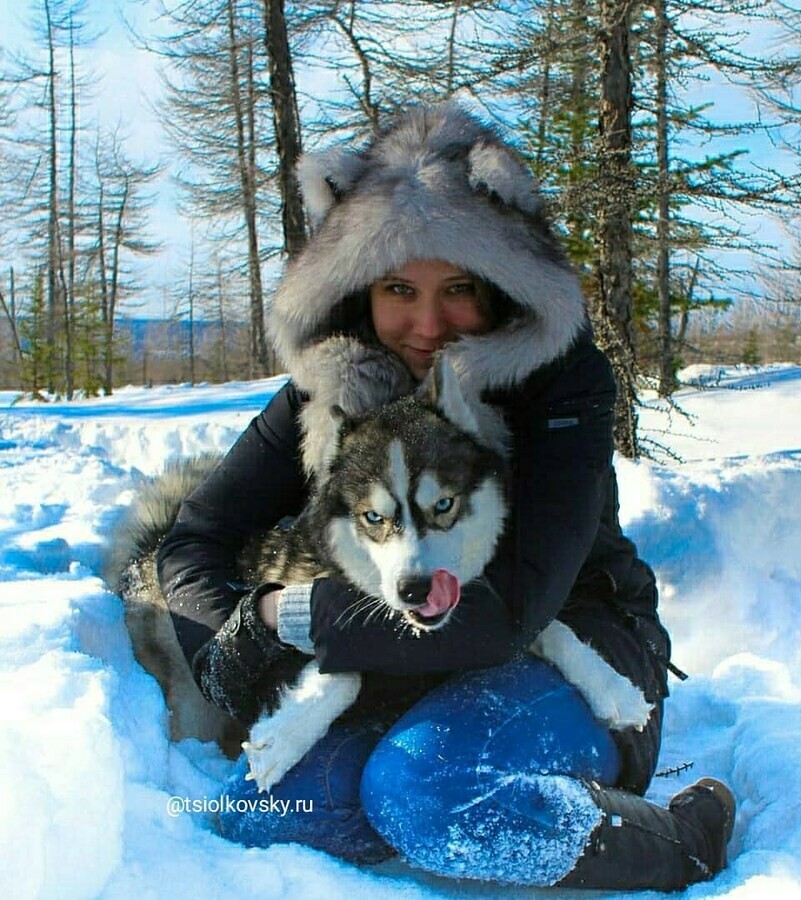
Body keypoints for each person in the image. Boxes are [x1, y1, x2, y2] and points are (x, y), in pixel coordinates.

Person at [157, 101, 735, 890]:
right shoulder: (328, 391)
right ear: (360, 287)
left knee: (425, 792)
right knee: (265, 813)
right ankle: (444, 769)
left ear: (500, 285)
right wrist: (233, 652)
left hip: (576, 642)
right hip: (396, 663)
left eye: (458, 286)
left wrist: (288, 618)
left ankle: (678, 840)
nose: (427, 324)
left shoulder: (560, 384)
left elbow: (508, 614)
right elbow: (195, 539)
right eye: (398, 286)